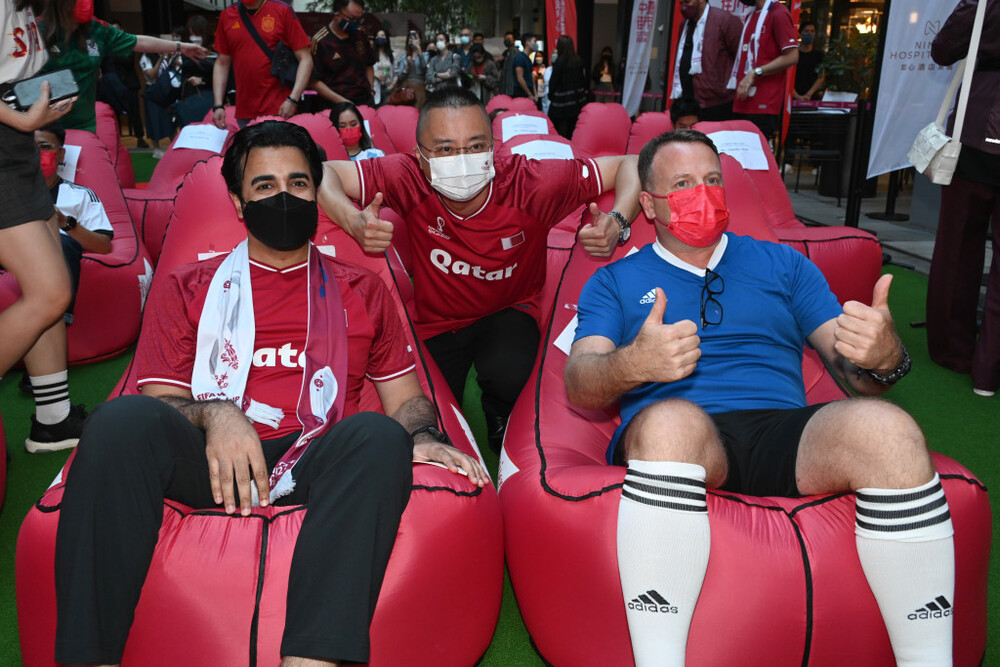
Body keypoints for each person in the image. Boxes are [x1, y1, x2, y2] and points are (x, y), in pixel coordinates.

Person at [53, 120, 488, 667]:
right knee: (116, 423)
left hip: (317, 456)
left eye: (299, 184)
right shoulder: (187, 285)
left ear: (315, 193)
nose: (284, 197)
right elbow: (157, 403)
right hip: (210, 460)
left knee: (380, 435)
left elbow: (405, 398)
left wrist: (423, 433)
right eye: (264, 187)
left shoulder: (364, 288)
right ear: (238, 203)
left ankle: (309, 661)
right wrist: (217, 414)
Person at [565, 130, 953, 666]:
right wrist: (634, 363)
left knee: (888, 428)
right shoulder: (613, 282)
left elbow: (854, 376)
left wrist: (885, 358)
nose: (703, 193)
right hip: (682, 438)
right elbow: (580, 382)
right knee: (670, 423)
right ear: (650, 205)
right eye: (682, 184)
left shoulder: (784, 265)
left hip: (784, 435)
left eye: (713, 180)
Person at [317, 87, 641, 453]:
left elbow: (631, 164)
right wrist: (353, 221)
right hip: (438, 321)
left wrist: (618, 220)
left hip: (509, 309)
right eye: (445, 149)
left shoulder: (532, 183)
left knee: (511, 370)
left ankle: (499, 414)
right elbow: (326, 172)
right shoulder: (405, 175)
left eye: (475, 146)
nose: (463, 160)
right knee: (424, 408)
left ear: (494, 146)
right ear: (419, 155)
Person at [21, 121, 112, 453]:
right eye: (28, 145)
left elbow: (103, 246)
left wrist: (66, 224)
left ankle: (45, 371)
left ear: (60, 154)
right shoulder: (8, 191)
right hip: (12, 258)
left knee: (61, 245)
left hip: (54, 266)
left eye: (44, 146)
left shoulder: (79, 195)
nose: (36, 153)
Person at [927, 0, 1000, 397]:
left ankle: (954, 353)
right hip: (976, 132)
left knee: (958, 249)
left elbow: (942, 49)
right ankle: (989, 372)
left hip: (974, 135)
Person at [0, 0, 75, 379]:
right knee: (50, 293)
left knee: (48, 290)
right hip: (5, 148)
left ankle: (53, 419)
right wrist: (23, 117)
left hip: (18, 147)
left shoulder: (26, 7)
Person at [41, 14, 207, 133]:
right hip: (43, 125)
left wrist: (181, 47)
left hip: (84, 127)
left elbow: (139, 41)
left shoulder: (98, 29)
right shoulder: (36, 28)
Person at [212, 0, 312, 129]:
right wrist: (218, 105)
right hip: (245, 112)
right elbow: (221, 63)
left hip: (280, 108)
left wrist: (293, 99)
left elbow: (306, 59)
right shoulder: (227, 15)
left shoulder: (282, 11)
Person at [728, 0, 799, 146]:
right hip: (742, 100)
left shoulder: (778, 13)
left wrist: (756, 72)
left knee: (758, 158)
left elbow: (792, 56)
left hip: (764, 104)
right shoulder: (751, 15)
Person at [669, 0, 741, 121]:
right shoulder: (685, 24)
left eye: (687, 1)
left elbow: (740, 57)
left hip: (717, 102)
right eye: (681, 3)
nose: (684, 7)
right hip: (688, 101)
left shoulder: (725, 20)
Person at [309, 0, 376, 109]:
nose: (356, 23)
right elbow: (314, 81)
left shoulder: (361, 34)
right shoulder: (321, 41)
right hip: (334, 106)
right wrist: (343, 102)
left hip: (365, 102)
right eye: (352, 19)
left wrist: (371, 91)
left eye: (359, 19)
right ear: (337, 15)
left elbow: (369, 64)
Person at [546, 35, 588, 139]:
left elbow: (553, 83)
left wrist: (552, 96)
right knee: (572, 132)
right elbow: (583, 81)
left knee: (559, 134)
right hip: (576, 103)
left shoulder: (559, 63)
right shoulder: (578, 61)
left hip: (560, 105)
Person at [793, 21, 825, 101]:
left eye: (812, 31)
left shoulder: (818, 55)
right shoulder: (793, 54)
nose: (809, 34)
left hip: (812, 97)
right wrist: (796, 96)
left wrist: (808, 95)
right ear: (800, 34)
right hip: (793, 96)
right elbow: (787, 77)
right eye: (806, 31)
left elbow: (821, 77)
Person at [396, 28, 427, 108]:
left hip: (419, 87)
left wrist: (419, 49)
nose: (413, 39)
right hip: (407, 88)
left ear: (420, 40)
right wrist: (407, 67)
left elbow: (424, 68)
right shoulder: (404, 56)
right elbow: (400, 77)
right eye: (410, 37)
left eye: (415, 37)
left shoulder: (425, 55)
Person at [372, 28, 396, 106]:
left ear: (386, 38)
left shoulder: (392, 55)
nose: (380, 38)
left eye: (382, 36)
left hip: (388, 87)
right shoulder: (370, 54)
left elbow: (395, 72)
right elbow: (363, 70)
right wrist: (375, 75)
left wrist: (392, 86)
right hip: (374, 88)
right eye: (378, 36)